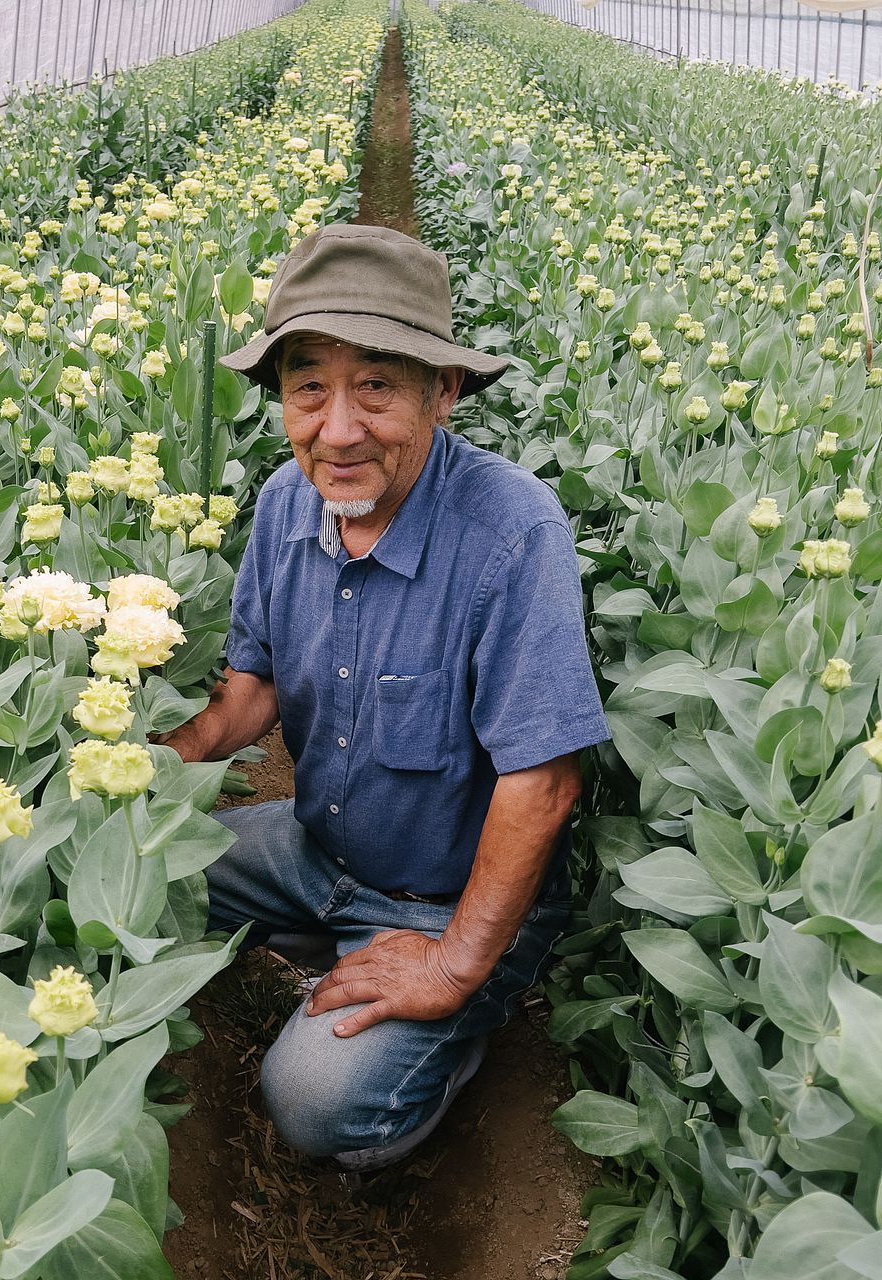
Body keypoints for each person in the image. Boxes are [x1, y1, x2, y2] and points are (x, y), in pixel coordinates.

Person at [160, 223, 611, 1172]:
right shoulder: (288, 501)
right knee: (134, 874)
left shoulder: (512, 529)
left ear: (442, 392)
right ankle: (333, 943)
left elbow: (545, 785)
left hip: (445, 900)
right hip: (315, 847)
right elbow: (253, 693)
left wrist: (451, 966)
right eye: (308, 386)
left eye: (376, 385)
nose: (338, 429)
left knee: (316, 1107)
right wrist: (147, 766)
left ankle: (457, 1027)